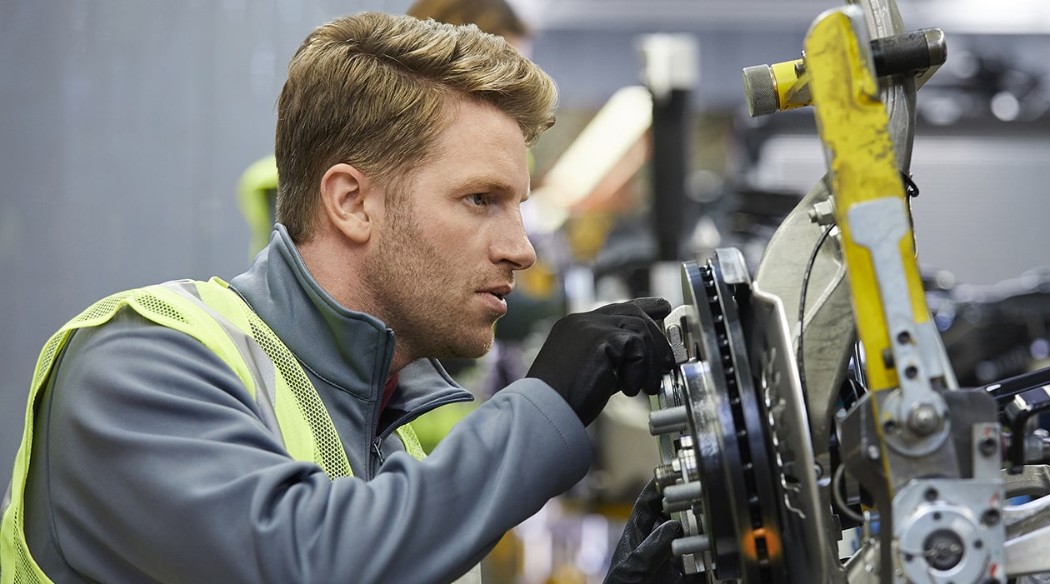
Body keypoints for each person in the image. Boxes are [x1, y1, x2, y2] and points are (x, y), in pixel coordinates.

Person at [0, 12, 677, 583]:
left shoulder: (389, 440)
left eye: (518, 207)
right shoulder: (132, 365)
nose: (520, 249)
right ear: (352, 203)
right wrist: (547, 402)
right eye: (480, 200)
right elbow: (313, 561)